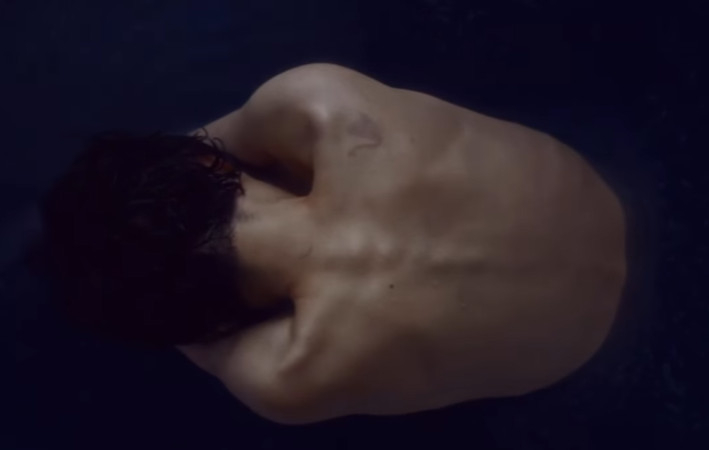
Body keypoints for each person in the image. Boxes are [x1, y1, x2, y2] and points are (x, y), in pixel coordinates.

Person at [42, 63, 627, 424]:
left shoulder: (287, 375)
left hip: (581, 343)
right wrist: (149, 188)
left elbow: (188, 334)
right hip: (590, 191)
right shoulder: (318, 102)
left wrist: (139, 290)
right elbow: (198, 147)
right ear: (204, 162)